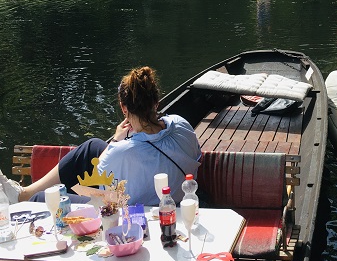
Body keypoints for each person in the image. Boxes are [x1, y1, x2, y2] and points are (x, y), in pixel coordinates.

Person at [0, 66, 202, 206]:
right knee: (92, 146)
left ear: (124, 108)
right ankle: (22, 194)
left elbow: (102, 188)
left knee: (45, 197)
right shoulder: (181, 123)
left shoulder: (121, 152)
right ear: (156, 103)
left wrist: (115, 141)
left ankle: (26, 197)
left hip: (134, 212)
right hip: (177, 195)